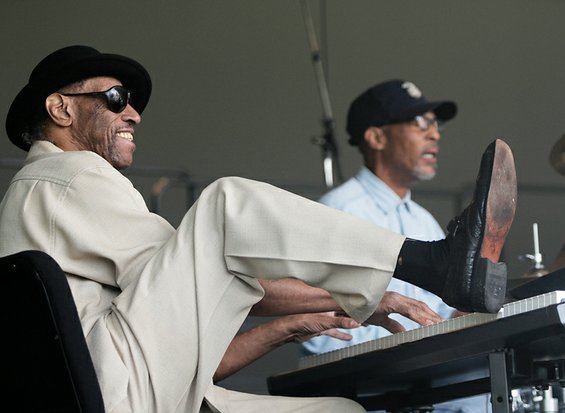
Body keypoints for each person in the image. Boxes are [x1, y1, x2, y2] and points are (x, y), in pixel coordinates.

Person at [0, 45, 517, 413]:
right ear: (60, 107)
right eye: (115, 98)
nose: (133, 113)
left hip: (127, 388)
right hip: (116, 389)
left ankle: (434, 264)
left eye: (134, 103)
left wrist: (293, 322)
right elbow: (210, 269)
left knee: (340, 411)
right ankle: (433, 263)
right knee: (226, 206)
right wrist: (371, 297)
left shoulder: (47, 196)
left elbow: (194, 314)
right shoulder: (68, 175)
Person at [301, 80, 492, 412]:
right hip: (369, 394)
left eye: (436, 124)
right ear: (376, 137)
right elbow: (318, 335)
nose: (435, 135)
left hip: (426, 385)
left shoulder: (424, 221)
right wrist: (411, 346)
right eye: (421, 124)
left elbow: (442, 314)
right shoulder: (337, 212)